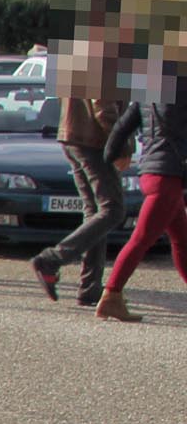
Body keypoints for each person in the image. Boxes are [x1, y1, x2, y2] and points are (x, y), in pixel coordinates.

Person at [94, 97, 187, 320]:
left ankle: (112, 295)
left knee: (182, 241)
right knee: (141, 239)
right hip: (168, 176)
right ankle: (111, 294)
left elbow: (122, 126)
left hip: (151, 171)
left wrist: (110, 156)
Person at [30, 95, 127, 307]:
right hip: (92, 138)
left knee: (95, 212)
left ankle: (90, 288)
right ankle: (50, 260)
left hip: (74, 134)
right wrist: (120, 145)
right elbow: (102, 101)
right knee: (113, 210)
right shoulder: (102, 59)